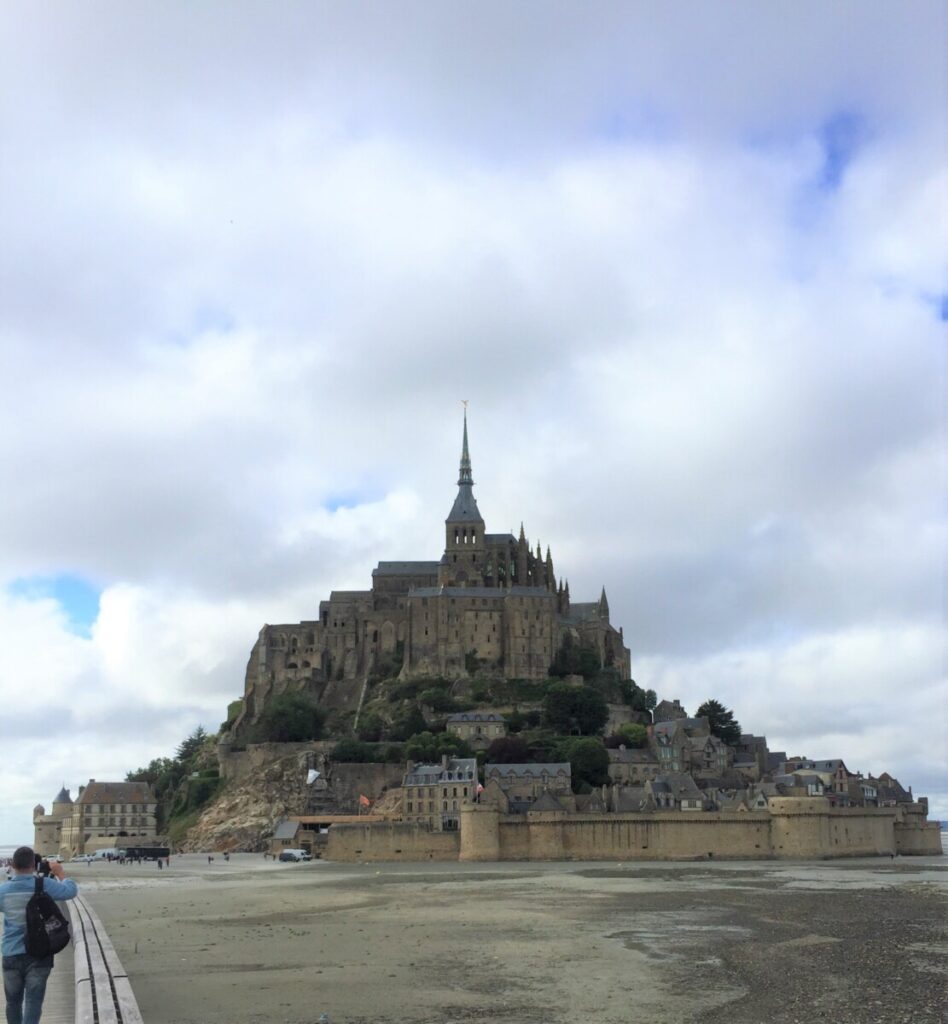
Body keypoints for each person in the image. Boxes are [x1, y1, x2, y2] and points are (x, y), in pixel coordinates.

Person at [0, 846, 78, 1024]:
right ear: (34, 865)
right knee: (33, 1002)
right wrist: (60, 872)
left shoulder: (3, 891)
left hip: (11, 953)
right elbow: (71, 891)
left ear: (12, 864)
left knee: (12, 1002)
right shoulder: (44, 885)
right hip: (39, 952)